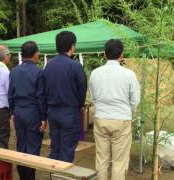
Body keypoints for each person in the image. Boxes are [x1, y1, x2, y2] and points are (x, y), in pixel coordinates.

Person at [89, 39, 140, 180]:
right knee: (119, 161)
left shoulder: (95, 73)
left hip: (101, 118)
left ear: (105, 55)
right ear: (121, 55)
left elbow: (93, 97)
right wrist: (128, 112)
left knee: (101, 158)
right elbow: (135, 100)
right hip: (121, 119)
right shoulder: (129, 74)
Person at [44, 31, 87, 162]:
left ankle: (53, 174)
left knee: (55, 147)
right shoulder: (75, 66)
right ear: (72, 46)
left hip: (52, 111)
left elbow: (44, 88)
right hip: (69, 112)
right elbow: (82, 89)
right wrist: (80, 105)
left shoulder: (48, 66)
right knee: (67, 148)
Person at [8, 41, 47, 180]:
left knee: (21, 144)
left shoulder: (14, 71)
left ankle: (23, 176)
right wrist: (43, 117)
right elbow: (41, 97)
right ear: (35, 54)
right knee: (33, 147)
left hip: (18, 111)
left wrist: (12, 112)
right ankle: (29, 177)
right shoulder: (39, 72)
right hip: (33, 112)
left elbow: (10, 94)